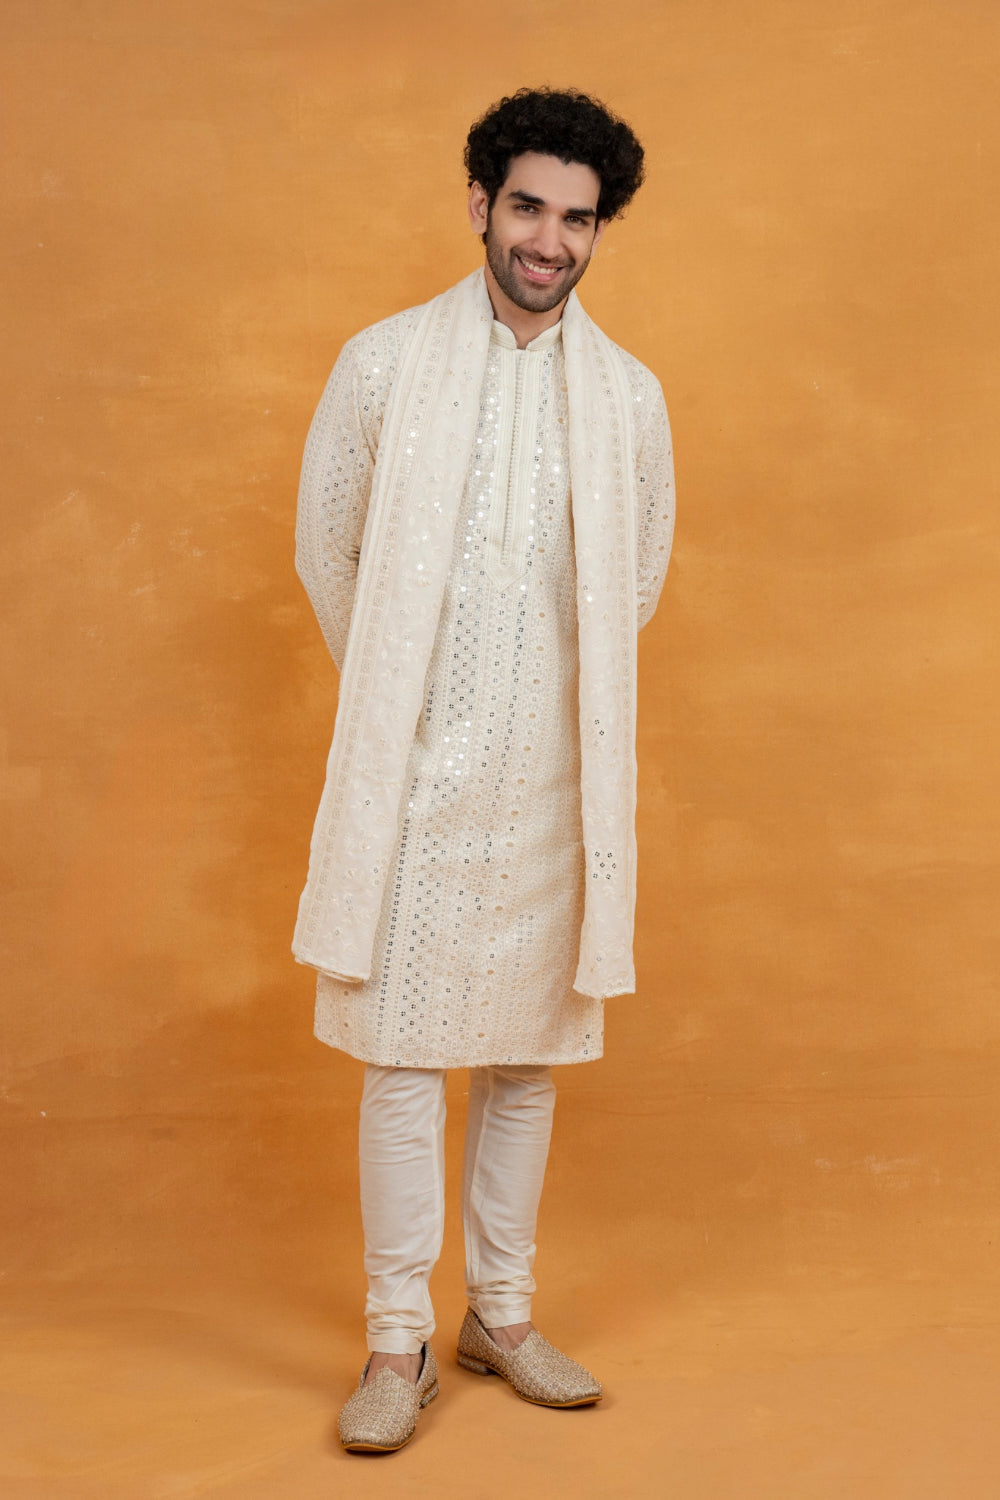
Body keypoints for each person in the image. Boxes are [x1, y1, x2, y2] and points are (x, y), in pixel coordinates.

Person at [292, 87, 675, 1452]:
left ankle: (499, 1316)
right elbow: (327, 546)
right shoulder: (384, 365)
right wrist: (407, 700)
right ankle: (396, 1340)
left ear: (598, 232)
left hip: (554, 785)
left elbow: (636, 580)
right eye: (528, 207)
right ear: (480, 204)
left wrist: (530, 713)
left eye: (578, 218)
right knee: (402, 1057)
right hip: (410, 779)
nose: (549, 240)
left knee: (524, 1061)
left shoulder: (628, 398)